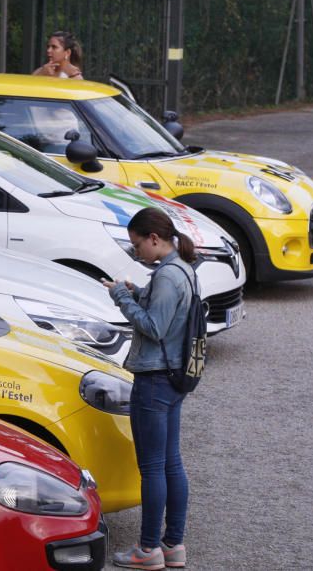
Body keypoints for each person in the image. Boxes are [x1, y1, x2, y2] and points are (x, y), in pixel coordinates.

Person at [103, 207, 193, 571]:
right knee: (171, 463)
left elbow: (154, 327)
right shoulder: (183, 269)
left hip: (154, 379)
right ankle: (173, 546)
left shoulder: (169, 276)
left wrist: (122, 299)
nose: (136, 251)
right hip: (174, 377)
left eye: (137, 244)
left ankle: (147, 550)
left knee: (153, 468)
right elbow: (167, 313)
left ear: (155, 239)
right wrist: (137, 291)